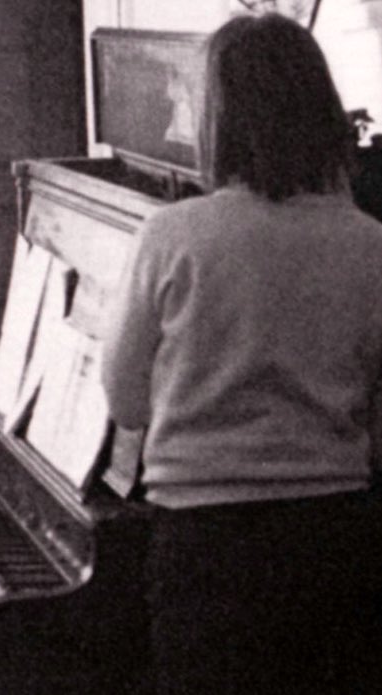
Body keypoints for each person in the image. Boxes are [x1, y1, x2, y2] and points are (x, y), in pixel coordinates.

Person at [101, 12, 382, 695]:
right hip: (333, 539)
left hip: (203, 548)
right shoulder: (369, 243)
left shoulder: (170, 235)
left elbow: (124, 399)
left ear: (216, 116)